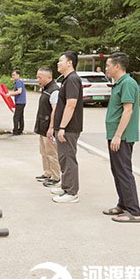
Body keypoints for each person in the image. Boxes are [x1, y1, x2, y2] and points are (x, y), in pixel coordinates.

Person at [103, 52, 140, 223]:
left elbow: (128, 110)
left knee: (124, 172)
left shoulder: (127, 83)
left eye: (108, 65)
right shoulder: (119, 83)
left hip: (122, 136)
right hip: (115, 135)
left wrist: (118, 135)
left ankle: (133, 211)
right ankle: (123, 204)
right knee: (117, 170)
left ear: (117, 66)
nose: (106, 68)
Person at [50, 51, 84, 203]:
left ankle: (71, 192)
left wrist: (62, 127)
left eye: (61, 61)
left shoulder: (72, 79)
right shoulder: (66, 79)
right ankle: (65, 186)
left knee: (68, 158)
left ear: (70, 63)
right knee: (63, 157)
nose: (58, 63)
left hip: (69, 128)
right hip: (64, 127)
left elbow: (71, 105)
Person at [33, 67, 60, 187]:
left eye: (40, 77)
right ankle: (47, 172)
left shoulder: (54, 90)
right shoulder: (45, 89)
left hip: (48, 127)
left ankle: (55, 176)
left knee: (51, 153)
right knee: (43, 152)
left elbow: (55, 110)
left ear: (49, 77)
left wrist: (51, 127)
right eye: (37, 77)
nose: (38, 79)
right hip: (42, 126)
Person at [5, 70, 26, 135]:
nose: (13, 76)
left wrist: (10, 94)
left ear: (18, 75)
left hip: (20, 102)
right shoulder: (19, 81)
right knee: (20, 117)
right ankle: (20, 130)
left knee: (16, 117)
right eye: (12, 75)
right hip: (22, 102)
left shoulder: (18, 82)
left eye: (14, 75)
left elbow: (19, 91)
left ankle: (15, 131)